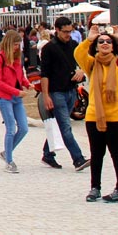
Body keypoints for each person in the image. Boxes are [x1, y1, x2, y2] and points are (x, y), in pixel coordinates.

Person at [76, 24, 118, 202]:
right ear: (96, 46)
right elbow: (78, 54)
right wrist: (88, 39)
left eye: (108, 41)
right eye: (101, 41)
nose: (104, 43)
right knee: (96, 154)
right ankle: (94, 187)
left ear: (114, 45)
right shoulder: (91, 64)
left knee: (116, 153)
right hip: (94, 115)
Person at [39, 17, 90, 171]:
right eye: (65, 32)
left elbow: (83, 62)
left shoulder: (73, 45)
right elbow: (45, 74)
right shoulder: (49, 48)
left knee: (59, 124)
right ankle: (78, 159)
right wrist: (46, 95)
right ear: (57, 30)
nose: (68, 35)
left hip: (71, 90)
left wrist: (81, 71)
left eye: (70, 31)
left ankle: (48, 154)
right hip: (56, 92)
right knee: (65, 127)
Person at [0, 30, 33, 173]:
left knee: (23, 128)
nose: (18, 47)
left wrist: (27, 84)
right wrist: (16, 91)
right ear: (9, 44)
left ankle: (7, 152)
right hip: (5, 97)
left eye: (19, 45)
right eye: (15, 45)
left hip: (17, 97)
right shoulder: (0, 58)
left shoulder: (17, 57)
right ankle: (9, 161)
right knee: (11, 129)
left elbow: (19, 75)